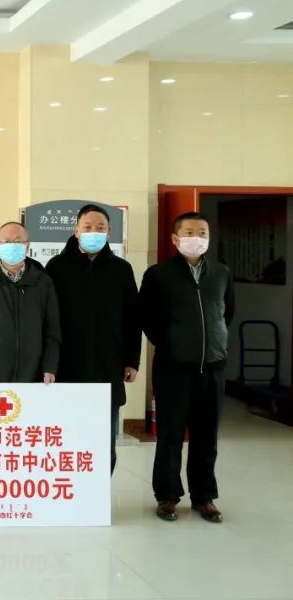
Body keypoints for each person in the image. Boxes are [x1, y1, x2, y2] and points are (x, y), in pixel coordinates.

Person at [140, 211, 234, 523]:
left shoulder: (221, 273)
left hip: (213, 367)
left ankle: (204, 497)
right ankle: (167, 496)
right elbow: (148, 318)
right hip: (173, 368)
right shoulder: (159, 274)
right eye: (190, 232)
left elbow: (227, 312)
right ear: (175, 239)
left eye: (202, 232)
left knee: (207, 436)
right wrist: (172, 343)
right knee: (170, 435)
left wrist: (216, 344)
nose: (197, 238)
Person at [45, 204, 141, 473]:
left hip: (107, 366)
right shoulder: (56, 267)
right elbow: (47, 319)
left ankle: (99, 491)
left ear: (109, 231)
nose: (93, 232)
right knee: (65, 436)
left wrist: (132, 360)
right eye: (87, 227)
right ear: (76, 230)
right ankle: (68, 490)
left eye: (100, 228)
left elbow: (132, 318)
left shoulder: (121, 269)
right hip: (66, 366)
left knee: (103, 440)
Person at [0, 221, 60, 384]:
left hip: (34, 374)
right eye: (6, 241)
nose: (12, 246)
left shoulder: (43, 282)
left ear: (27, 246)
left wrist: (50, 366)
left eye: (18, 241)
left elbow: (52, 329)